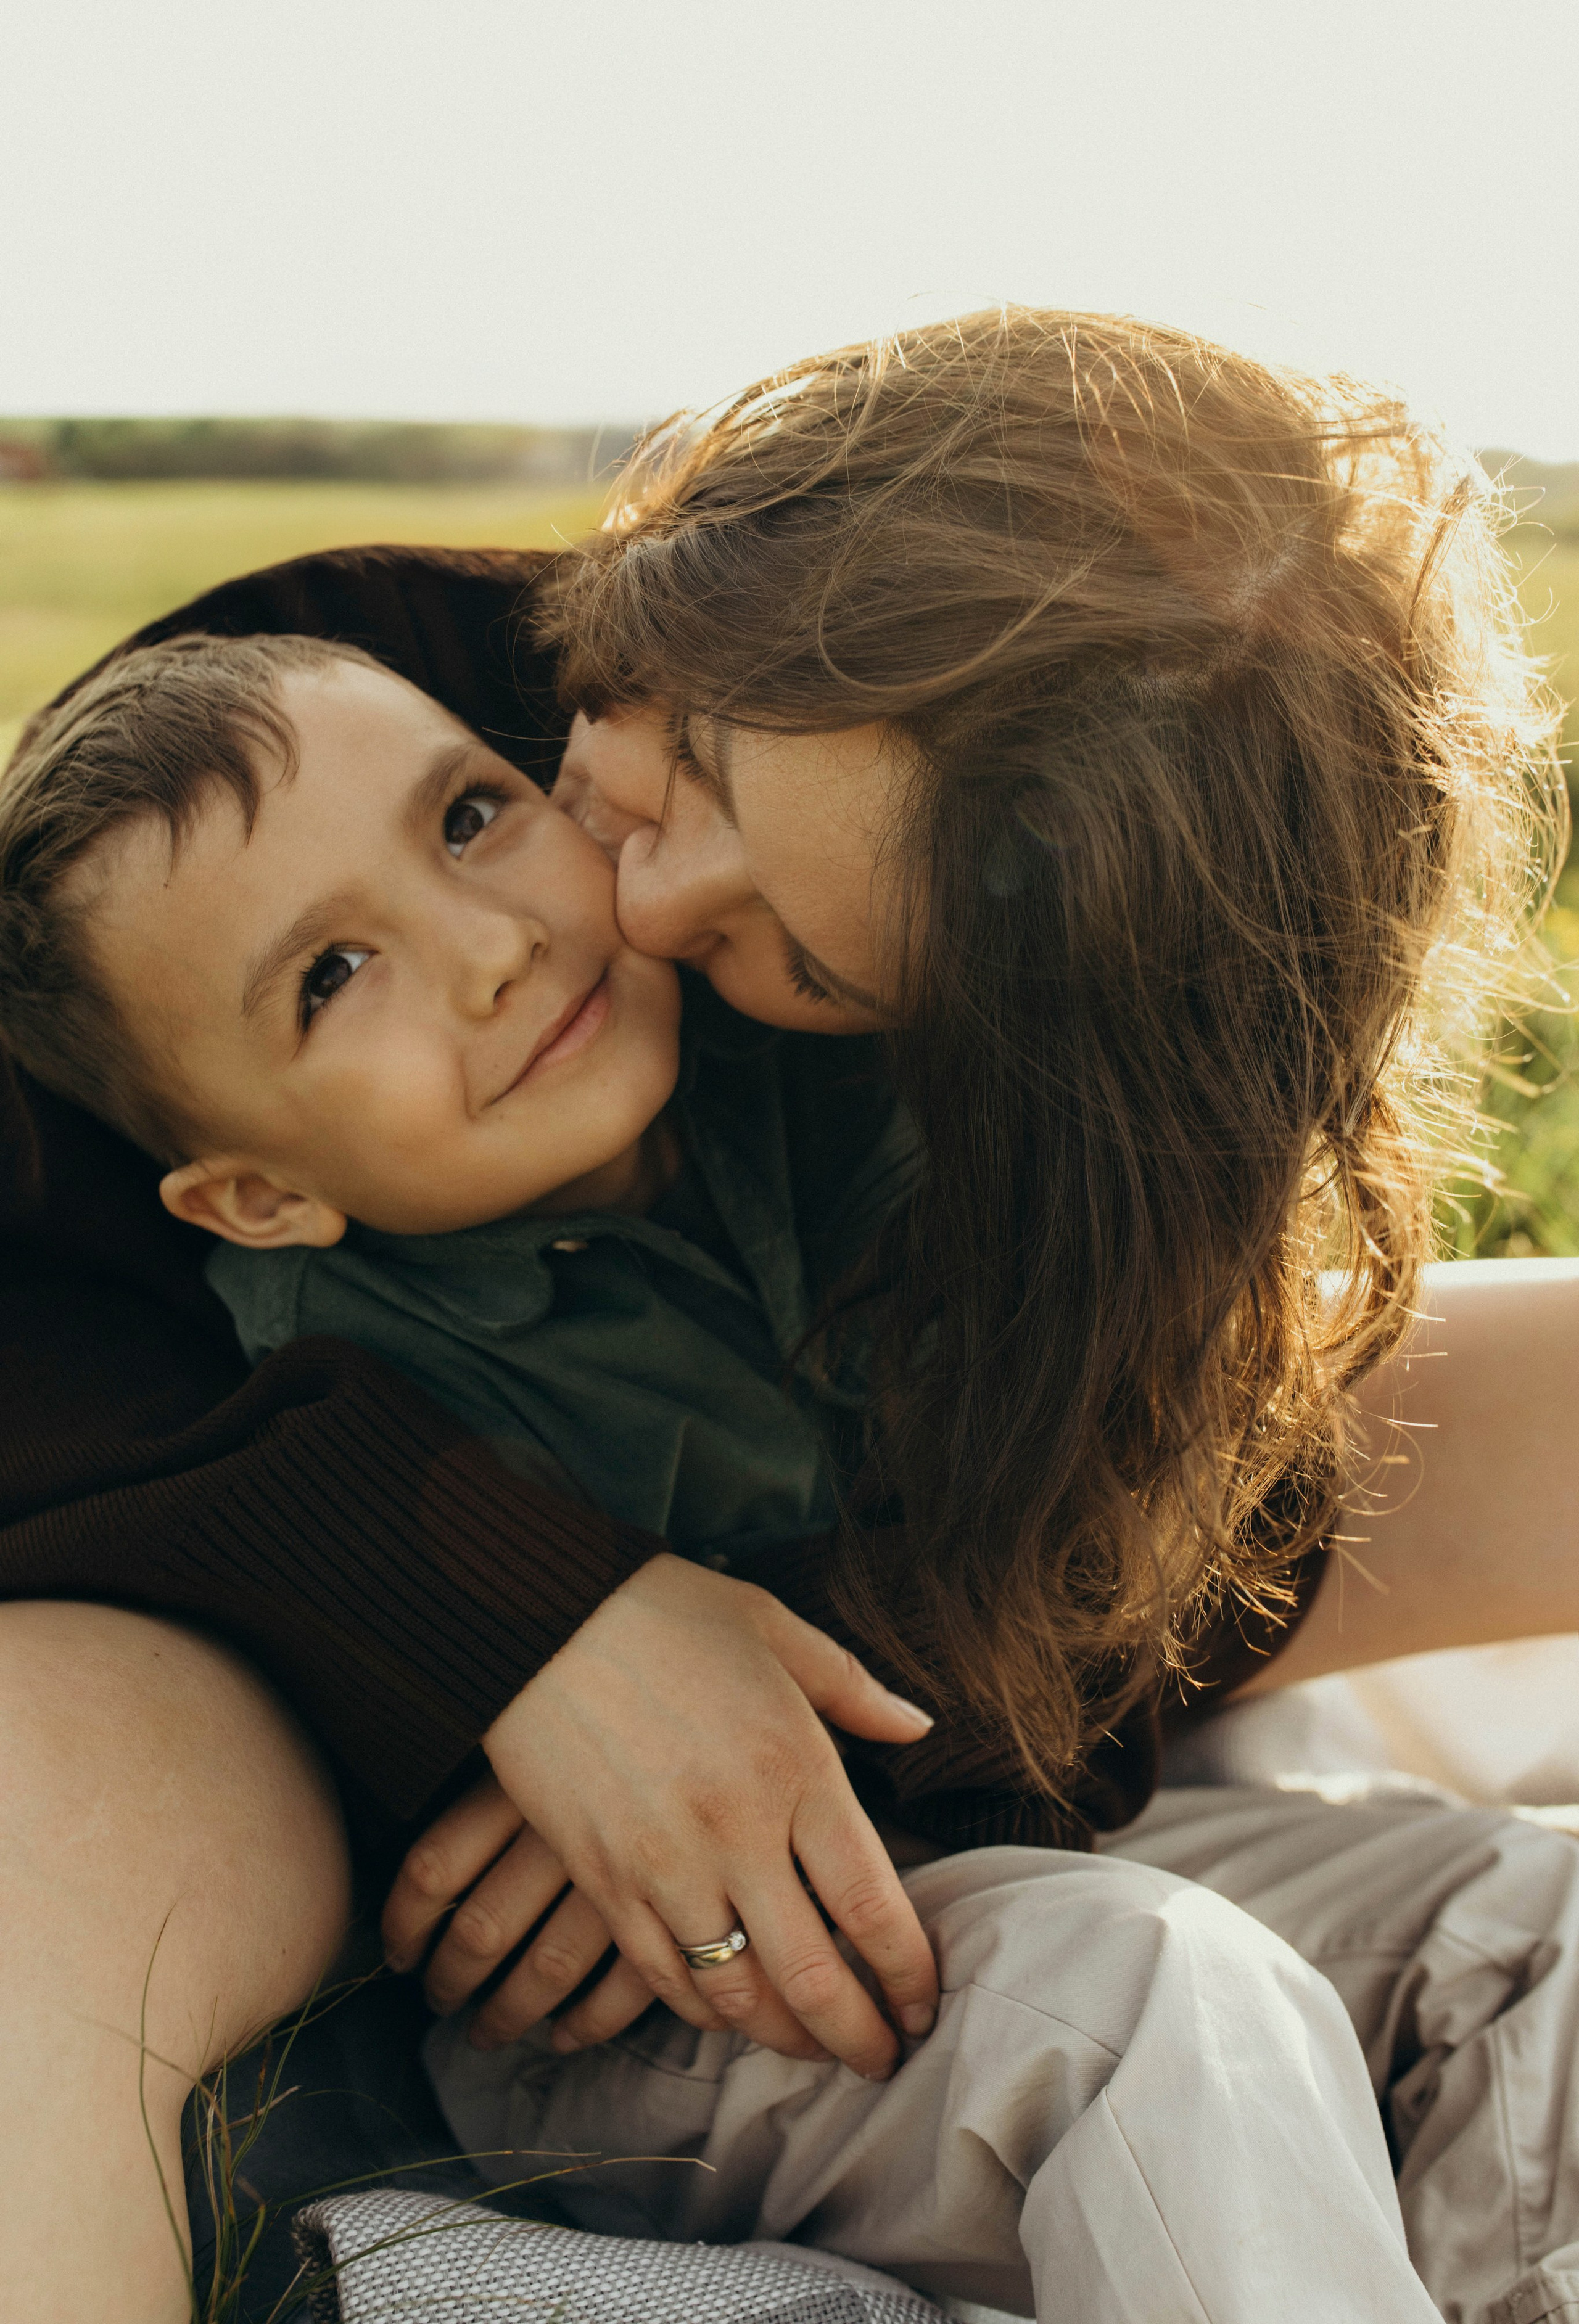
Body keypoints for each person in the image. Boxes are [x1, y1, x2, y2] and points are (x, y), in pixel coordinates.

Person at [0, 308, 1569, 2318]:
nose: (601, 918)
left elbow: (1097, 1528)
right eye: (681, 784)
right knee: (1149, 1999)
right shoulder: (337, 716)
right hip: (636, 2007)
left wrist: (810, 1699)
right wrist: (525, 1624)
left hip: (940, 1858)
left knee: (1524, 1929)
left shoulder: (963, 1083)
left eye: (791, 958)